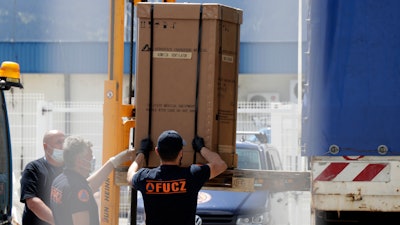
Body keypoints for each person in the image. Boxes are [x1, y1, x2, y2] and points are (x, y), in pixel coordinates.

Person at [126, 130, 228, 225]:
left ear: (157, 151)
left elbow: (130, 176)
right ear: (180, 153)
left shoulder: (145, 177)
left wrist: (142, 152)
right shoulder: (192, 175)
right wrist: (201, 148)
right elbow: (221, 165)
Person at [50, 135, 134, 225]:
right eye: (90, 157)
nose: (92, 160)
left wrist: (114, 162)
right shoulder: (77, 189)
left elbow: (89, 186)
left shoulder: (60, 181)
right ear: (80, 161)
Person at [20, 129, 65, 225]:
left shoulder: (69, 170)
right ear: (46, 147)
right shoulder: (33, 169)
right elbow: (33, 202)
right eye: (59, 142)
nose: (63, 146)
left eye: (64, 142)